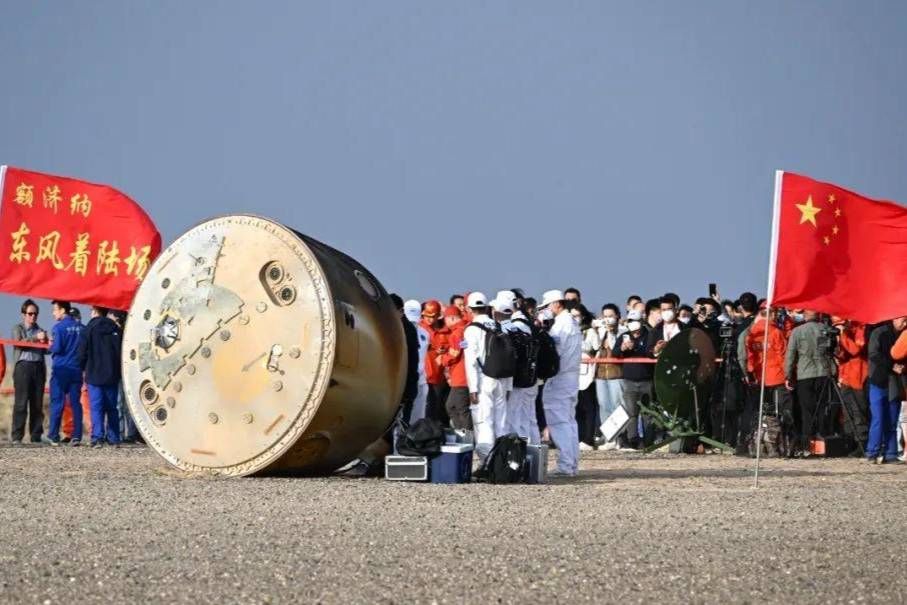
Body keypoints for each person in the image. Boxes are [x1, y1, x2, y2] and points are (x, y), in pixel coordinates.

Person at [538, 290, 582, 476]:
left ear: (557, 304)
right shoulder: (571, 322)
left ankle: (565, 465)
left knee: (559, 421)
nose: (547, 310)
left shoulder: (562, 325)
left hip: (561, 377)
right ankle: (571, 464)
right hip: (571, 377)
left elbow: (555, 354)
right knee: (569, 421)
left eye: (548, 305)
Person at [784, 310, 835, 455]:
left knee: (807, 410)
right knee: (822, 408)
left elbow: (790, 355)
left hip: (805, 374)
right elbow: (832, 350)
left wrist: (788, 375)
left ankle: (808, 444)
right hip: (824, 373)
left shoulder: (797, 331)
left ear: (805, 316)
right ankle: (822, 441)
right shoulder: (826, 329)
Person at [745, 306, 794, 450]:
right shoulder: (776, 332)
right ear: (771, 315)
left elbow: (750, 358)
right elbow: (783, 356)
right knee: (783, 412)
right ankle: (783, 443)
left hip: (760, 378)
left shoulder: (751, 334)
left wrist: (752, 374)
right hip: (777, 377)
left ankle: (758, 443)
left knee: (761, 412)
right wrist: (788, 376)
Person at [463, 292, 504, 463]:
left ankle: (487, 462)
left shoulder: (471, 329)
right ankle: (503, 459)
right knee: (500, 422)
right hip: (501, 380)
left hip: (482, 380)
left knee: (483, 421)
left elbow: (471, 362)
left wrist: (472, 389)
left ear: (470, 309)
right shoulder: (498, 325)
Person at [78, 306, 123, 448]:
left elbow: (82, 352)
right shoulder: (116, 329)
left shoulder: (88, 330)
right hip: (112, 374)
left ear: (94, 312)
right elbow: (121, 352)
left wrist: (82, 368)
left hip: (94, 374)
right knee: (112, 407)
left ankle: (97, 437)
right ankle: (114, 438)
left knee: (96, 407)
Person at [44, 301, 86, 446]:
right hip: (76, 370)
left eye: (55, 310)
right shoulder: (82, 328)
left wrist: (48, 345)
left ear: (62, 310)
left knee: (57, 402)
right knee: (75, 403)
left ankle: (53, 435)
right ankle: (76, 436)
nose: (53, 313)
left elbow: (57, 348)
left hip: (61, 370)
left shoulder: (58, 328)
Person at [866, 316, 907, 464]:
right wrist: (892, 365)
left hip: (896, 382)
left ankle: (891, 453)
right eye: (903, 319)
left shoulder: (904, 334)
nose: (905, 323)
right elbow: (873, 354)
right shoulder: (879, 332)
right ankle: (872, 452)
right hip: (879, 380)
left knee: (892, 418)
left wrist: (902, 367)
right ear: (894, 319)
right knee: (878, 417)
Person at [611, 309, 652, 450]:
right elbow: (614, 354)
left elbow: (650, 352)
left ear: (642, 321)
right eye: (630, 321)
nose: (633, 323)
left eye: (636, 320)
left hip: (647, 380)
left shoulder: (649, 335)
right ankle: (632, 440)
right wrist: (622, 348)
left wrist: (635, 348)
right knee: (631, 412)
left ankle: (648, 441)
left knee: (648, 413)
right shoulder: (624, 336)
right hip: (629, 380)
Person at [10, 299, 49, 444]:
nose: (33, 317)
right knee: (21, 403)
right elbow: (19, 343)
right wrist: (36, 339)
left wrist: (48, 342)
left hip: (38, 367)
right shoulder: (17, 328)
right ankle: (17, 436)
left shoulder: (40, 330)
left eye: (35, 314)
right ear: (23, 314)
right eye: (30, 314)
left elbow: (46, 351)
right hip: (23, 367)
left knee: (37, 403)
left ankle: (36, 435)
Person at [505, 294, 541, 443]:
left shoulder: (516, 324)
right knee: (529, 417)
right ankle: (534, 449)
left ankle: (523, 450)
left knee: (517, 417)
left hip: (521, 378)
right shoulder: (527, 322)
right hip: (530, 376)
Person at [836, 318, 869, 451]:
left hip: (859, 376)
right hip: (847, 377)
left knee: (858, 412)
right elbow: (843, 355)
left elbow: (855, 350)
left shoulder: (863, 330)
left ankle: (861, 443)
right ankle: (850, 442)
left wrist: (843, 334)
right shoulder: (848, 331)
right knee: (847, 411)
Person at [594, 303, 624, 449]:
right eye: (605, 316)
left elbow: (615, 348)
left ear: (617, 316)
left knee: (616, 406)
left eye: (611, 316)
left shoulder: (622, 331)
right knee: (604, 406)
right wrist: (596, 331)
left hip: (616, 374)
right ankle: (608, 437)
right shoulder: (600, 331)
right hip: (601, 374)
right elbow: (593, 347)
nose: (608, 319)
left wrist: (611, 332)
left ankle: (618, 438)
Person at [438, 305, 471, 430]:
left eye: (445, 319)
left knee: (459, 407)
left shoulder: (456, 333)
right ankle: (462, 432)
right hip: (465, 375)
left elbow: (454, 354)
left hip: (460, 377)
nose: (445, 322)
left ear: (451, 318)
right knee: (452, 405)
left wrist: (442, 359)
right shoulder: (467, 328)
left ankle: (466, 435)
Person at [572, 304, 600, 450]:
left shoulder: (589, 331)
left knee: (588, 407)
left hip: (587, 373)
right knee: (576, 408)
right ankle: (578, 436)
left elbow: (596, 348)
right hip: (573, 372)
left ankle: (588, 438)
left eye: (577, 315)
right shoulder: (570, 331)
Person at [421, 300, 451, 425]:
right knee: (423, 408)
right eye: (426, 316)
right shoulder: (419, 328)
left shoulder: (446, 332)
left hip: (439, 377)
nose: (428, 319)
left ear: (438, 315)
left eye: (432, 316)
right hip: (423, 376)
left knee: (436, 408)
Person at [403, 300, 430, 424]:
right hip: (405, 379)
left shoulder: (425, 334)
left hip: (421, 380)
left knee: (419, 417)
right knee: (403, 415)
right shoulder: (400, 333)